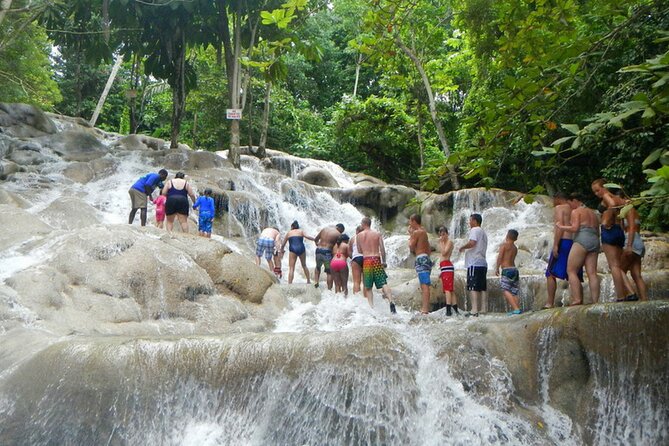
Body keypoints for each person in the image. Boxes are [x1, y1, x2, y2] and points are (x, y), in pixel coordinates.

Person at [591, 179, 634, 301]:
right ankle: (630, 292)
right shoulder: (618, 198)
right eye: (594, 192)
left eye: (597, 190)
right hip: (618, 231)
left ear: (604, 187)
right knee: (618, 266)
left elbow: (613, 205)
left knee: (613, 266)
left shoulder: (606, 195)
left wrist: (607, 219)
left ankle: (620, 296)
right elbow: (623, 207)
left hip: (609, 231)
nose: (596, 193)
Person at [557, 193, 600, 305]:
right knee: (592, 273)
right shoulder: (593, 213)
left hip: (582, 239)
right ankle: (596, 301)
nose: (570, 206)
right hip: (594, 240)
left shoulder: (577, 211)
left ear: (575, 200)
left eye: (570, 203)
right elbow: (598, 231)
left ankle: (577, 299)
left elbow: (575, 228)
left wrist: (561, 227)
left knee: (571, 270)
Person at [545, 192, 581, 309]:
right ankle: (578, 299)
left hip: (563, 242)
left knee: (550, 273)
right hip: (574, 243)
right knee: (572, 273)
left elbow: (559, 226)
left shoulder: (560, 208)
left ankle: (549, 303)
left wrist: (556, 244)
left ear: (558, 198)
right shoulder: (574, 209)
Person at [356, 217, 396, 313]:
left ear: (363, 224)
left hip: (367, 261)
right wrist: (384, 261)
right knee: (383, 283)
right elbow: (382, 248)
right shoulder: (377, 234)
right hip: (376, 260)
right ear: (370, 224)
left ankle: (371, 307)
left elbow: (359, 250)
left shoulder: (359, 235)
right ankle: (391, 301)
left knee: (368, 286)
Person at [459, 213, 488, 317]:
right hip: (483, 263)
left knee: (473, 286)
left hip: (474, 262)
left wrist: (463, 247)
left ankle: (474, 309)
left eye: (470, 220)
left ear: (475, 221)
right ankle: (483, 308)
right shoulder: (484, 233)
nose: (469, 222)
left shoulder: (474, 230)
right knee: (482, 287)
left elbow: (472, 243)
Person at [620, 203, 648, 301]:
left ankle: (631, 293)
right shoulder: (633, 212)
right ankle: (645, 300)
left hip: (631, 241)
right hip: (638, 241)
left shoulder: (629, 210)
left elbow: (631, 228)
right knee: (636, 274)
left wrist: (628, 246)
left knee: (619, 270)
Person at [408, 214, 433, 314]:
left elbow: (410, 246)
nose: (409, 224)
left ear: (414, 221)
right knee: (424, 284)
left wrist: (410, 235)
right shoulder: (424, 232)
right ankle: (425, 308)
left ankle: (425, 309)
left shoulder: (417, 232)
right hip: (426, 258)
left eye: (410, 221)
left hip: (421, 259)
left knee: (424, 285)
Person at [496, 229, 522, 315]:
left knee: (505, 289)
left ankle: (516, 308)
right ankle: (517, 308)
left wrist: (497, 268)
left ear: (507, 235)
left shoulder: (504, 245)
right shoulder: (515, 248)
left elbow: (500, 257)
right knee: (514, 290)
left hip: (506, 270)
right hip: (514, 270)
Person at [313, 223, 344, 289]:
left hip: (318, 250)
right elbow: (339, 246)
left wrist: (317, 244)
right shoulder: (338, 234)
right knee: (329, 272)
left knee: (318, 267)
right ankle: (329, 289)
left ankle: (316, 282)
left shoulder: (324, 229)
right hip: (327, 252)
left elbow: (316, 239)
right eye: (341, 231)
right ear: (339, 228)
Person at [438, 226, 459, 316]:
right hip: (444, 267)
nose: (442, 236)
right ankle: (455, 309)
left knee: (447, 289)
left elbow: (444, 253)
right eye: (441, 235)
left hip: (447, 266)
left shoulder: (449, 242)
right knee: (450, 289)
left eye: (444, 234)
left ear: (447, 234)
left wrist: (442, 242)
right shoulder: (445, 242)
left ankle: (448, 310)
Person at [349, 226, 364, 294]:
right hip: (366, 258)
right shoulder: (367, 236)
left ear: (356, 231)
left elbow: (349, 251)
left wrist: (353, 259)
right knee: (366, 282)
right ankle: (366, 298)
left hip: (356, 258)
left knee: (356, 282)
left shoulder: (352, 238)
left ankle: (356, 300)